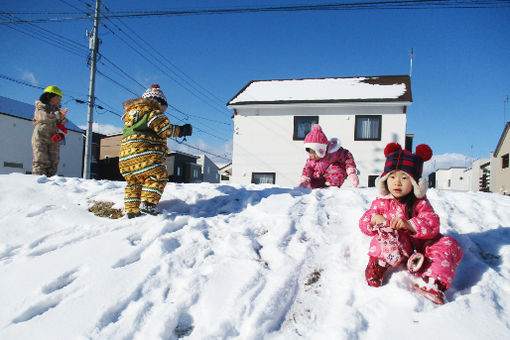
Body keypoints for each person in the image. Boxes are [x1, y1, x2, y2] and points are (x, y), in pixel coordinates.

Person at [359, 142, 463, 304]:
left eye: (404, 178)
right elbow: (364, 222)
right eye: (392, 177)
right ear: (385, 180)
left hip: (421, 247)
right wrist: (374, 219)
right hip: (395, 245)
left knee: (449, 244)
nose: (397, 182)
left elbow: (432, 223)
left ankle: (433, 282)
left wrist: (409, 224)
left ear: (415, 183)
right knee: (384, 236)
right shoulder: (382, 202)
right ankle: (377, 265)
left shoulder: (420, 203)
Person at [119, 84, 192, 219]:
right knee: (158, 175)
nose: (164, 111)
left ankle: (131, 210)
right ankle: (148, 203)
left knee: (133, 182)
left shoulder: (130, 115)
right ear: (159, 103)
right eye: (165, 107)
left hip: (125, 160)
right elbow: (165, 129)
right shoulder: (152, 112)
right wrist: (182, 130)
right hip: (144, 154)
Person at [298, 124, 359, 189]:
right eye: (310, 153)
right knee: (312, 178)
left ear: (321, 150)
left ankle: (333, 186)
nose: (312, 156)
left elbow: (347, 157)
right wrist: (304, 180)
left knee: (334, 167)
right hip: (320, 177)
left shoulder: (333, 152)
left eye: (314, 153)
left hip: (333, 175)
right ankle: (315, 187)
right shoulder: (310, 159)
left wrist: (351, 173)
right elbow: (308, 169)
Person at [32, 85, 68, 177]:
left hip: (53, 138)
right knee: (41, 159)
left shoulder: (56, 111)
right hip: (41, 136)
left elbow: (64, 121)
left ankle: (50, 183)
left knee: (54, 161)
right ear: (50, 96)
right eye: (58, 97)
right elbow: (44, 117)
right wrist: (58, 116)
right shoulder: (40, 106)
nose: (60, 100)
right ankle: (38, 181)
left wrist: (61, 118)